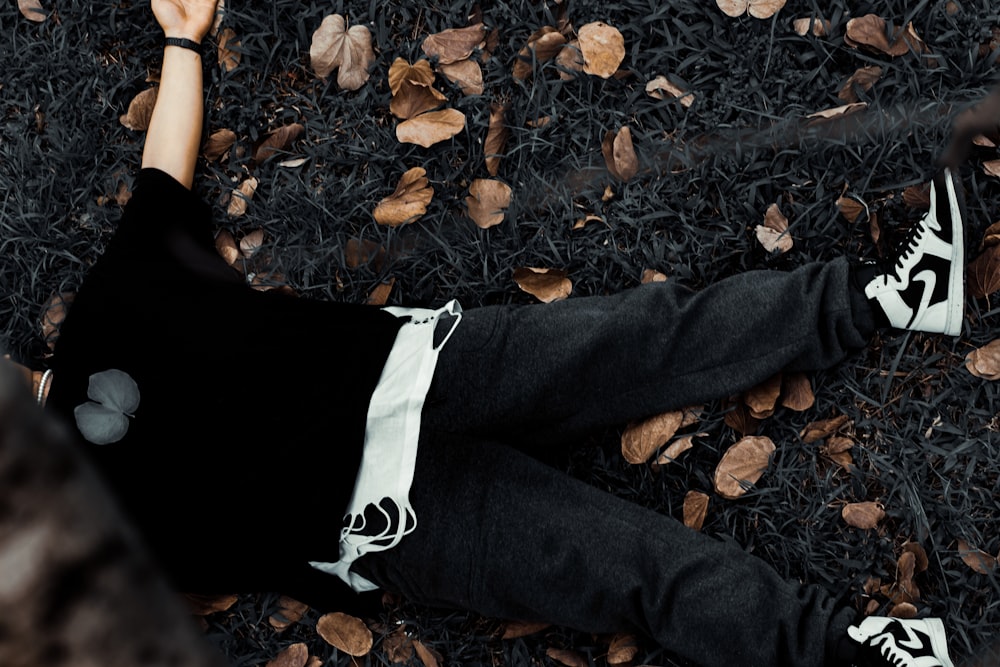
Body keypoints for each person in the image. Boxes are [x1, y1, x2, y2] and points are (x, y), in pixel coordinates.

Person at [4, 1, 975, 665]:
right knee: (628, 568)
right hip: (400, 517)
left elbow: (161, 179)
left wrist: (181, 42)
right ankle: (845, 652)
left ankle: (895, 296)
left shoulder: (111, 301)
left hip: (422, 370)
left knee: (648, 334)